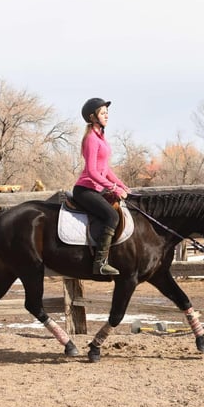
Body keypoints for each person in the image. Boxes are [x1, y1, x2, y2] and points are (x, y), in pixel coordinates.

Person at [73, 97, 131, 275]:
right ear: (93, 117)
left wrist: (123, 186)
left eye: (107, 113)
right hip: (84, 190)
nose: (107, 116)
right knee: (112, 216)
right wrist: (114, 189)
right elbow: (92, 172)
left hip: (96, 189)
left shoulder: (101, 138)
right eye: (103, 113)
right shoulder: (91, 138)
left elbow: (105, 169)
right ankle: (100, 263)